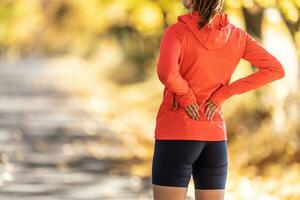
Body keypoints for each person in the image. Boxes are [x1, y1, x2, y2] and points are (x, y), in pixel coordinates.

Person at [151, 0, 285, 199]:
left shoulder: (176, 32)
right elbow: (276, 70)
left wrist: (187, 98)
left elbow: (167, 73)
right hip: (214, 139)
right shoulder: (237, 36)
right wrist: (224, 93)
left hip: (177, 133)